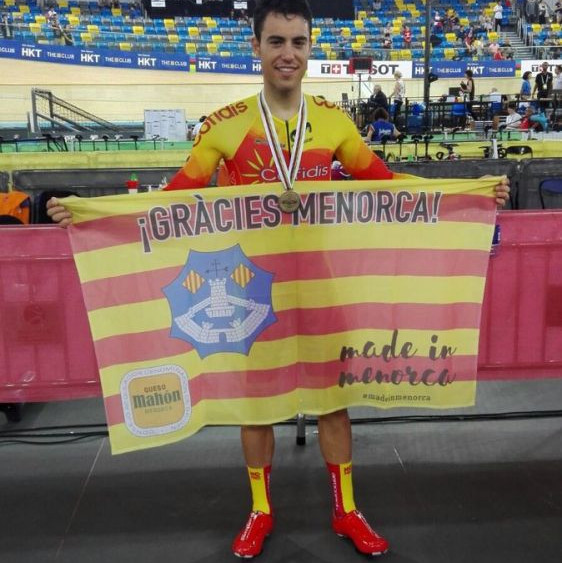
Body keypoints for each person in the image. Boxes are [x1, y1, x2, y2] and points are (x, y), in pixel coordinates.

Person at [46, 1, 510, 558]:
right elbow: (173, 200)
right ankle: (260, 512)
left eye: (298, 42)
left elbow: (387, 186)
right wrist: (91, 213)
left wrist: (468, 193)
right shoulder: (223, 127)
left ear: (310, 47)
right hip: (251, 290)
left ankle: (347, 510)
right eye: (276, 42)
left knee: (335, 400)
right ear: (257, 47)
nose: (288, 54)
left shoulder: (335, 122)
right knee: (257, 404)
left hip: (321, 283)